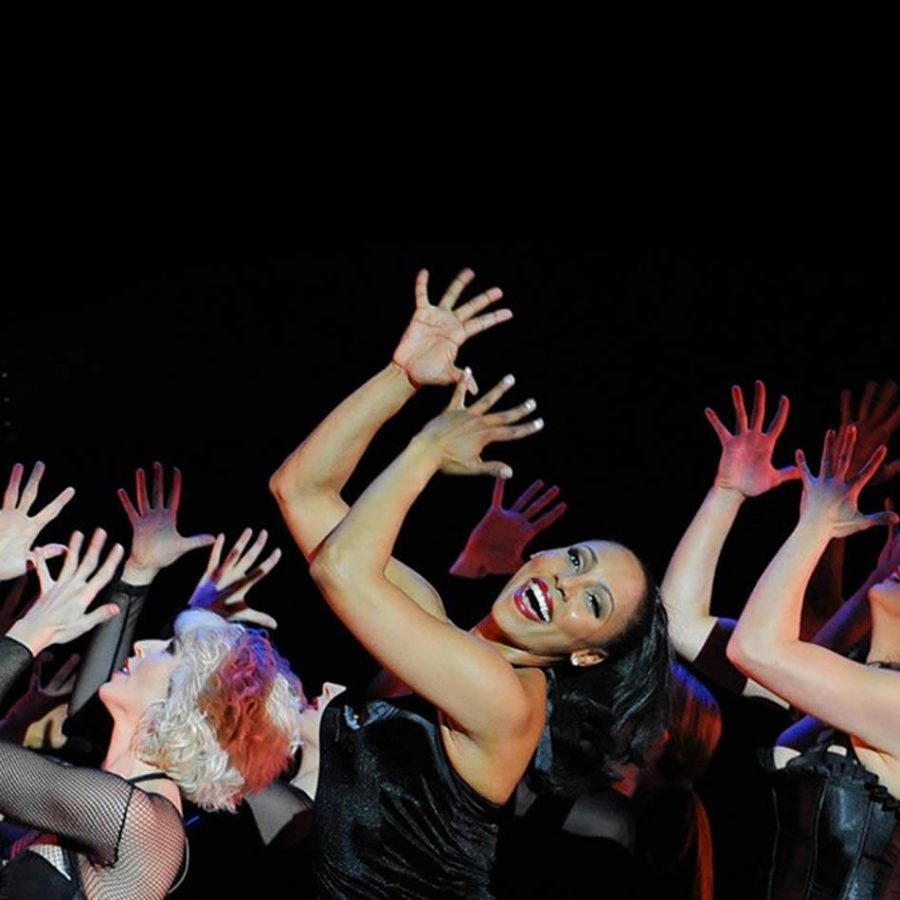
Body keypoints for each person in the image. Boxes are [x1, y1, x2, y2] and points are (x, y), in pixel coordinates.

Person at [271, 269, 671, 896]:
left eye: (592, 601)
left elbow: (340, 570)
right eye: (574, 560)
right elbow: (300, 491)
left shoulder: (508, 698)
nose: (565, 583)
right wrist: (400, 378)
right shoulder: (434, 623)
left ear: (587, 655)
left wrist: (425, 451)